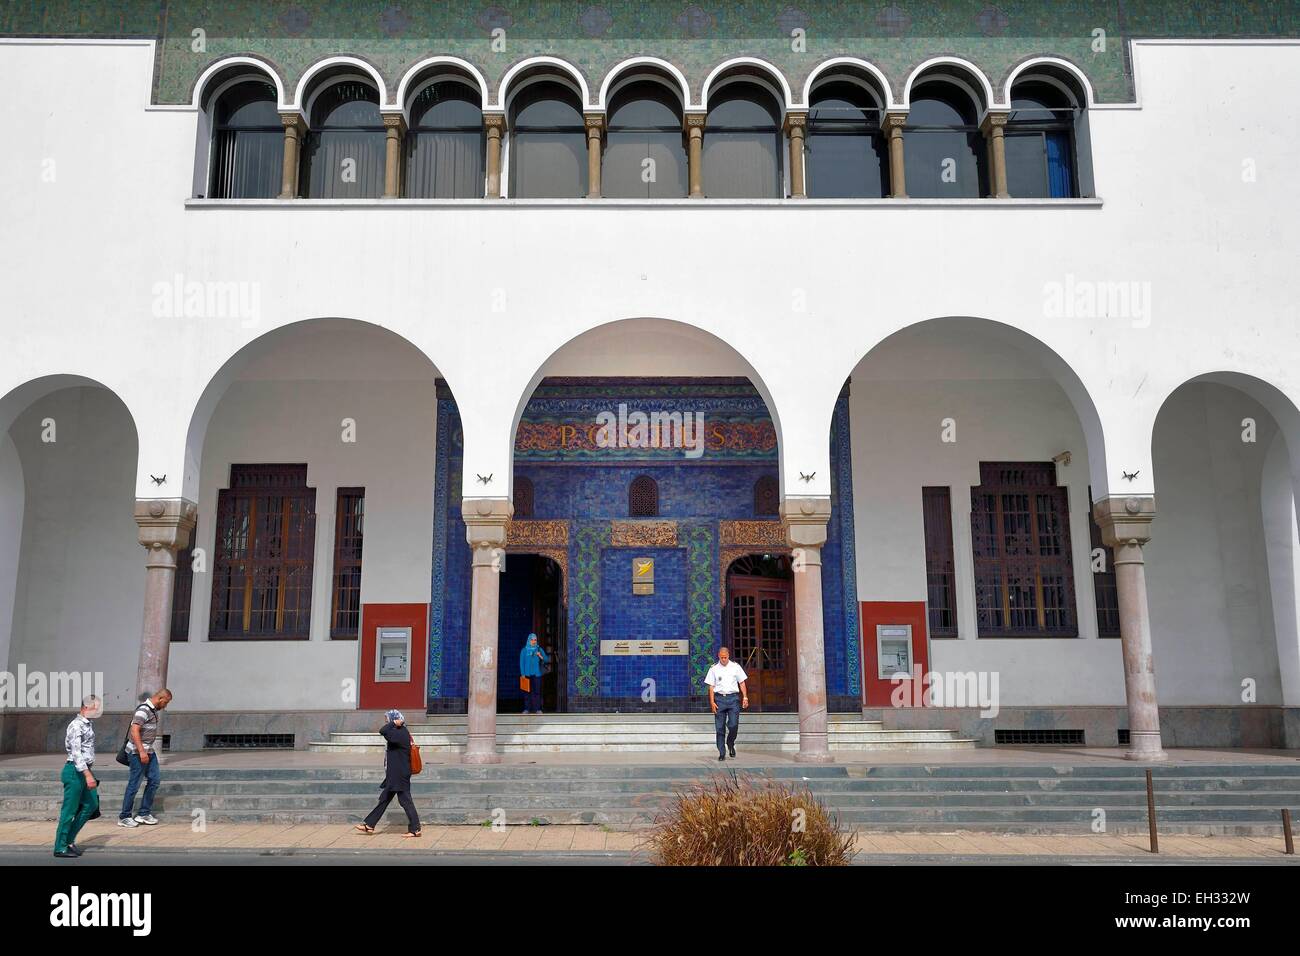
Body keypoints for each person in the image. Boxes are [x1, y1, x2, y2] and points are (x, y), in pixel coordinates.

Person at [355, 709, 421, 837]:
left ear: (395, 719)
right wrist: (393, 724)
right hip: (395, 774)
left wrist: (393, 723)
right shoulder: (398, 732)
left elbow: (383, 731)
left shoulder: (400, 733)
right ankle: (369, 825)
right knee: (384, 799)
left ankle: (415, 829)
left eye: (387, 719)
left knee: (405, 801)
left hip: (399, 775)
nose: (386, 721)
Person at [55, 695, 102, 858]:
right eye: (96, 708)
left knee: (91, 804)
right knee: (69, 811)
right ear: (86, 707)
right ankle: (60, 847)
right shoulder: (76, 725)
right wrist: (87, 774)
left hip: (83, 770)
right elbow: (76, 753)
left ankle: (68, 840)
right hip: (75, 771)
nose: (98, 711)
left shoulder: (88, 725)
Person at [118, 688, 171, 827]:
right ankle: (124, 816)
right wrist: (141, 752)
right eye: (165, 702)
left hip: (149, 751)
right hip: (137, 752)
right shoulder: (144, 710)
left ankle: (144, 813)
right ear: (160, 699)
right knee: (134, 784)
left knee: (154, 780)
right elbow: (134, 730)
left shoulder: (153, 711)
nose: (165, 706)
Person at [704, 646, 749, 761]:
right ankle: (722, 752)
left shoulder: (735, 667)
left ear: (728, 656)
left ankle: (730, 743)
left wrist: (745, 697)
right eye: (722, 657)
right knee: (719, 728)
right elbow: (711, 687)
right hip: (719, 699)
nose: (723, 659)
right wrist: (712, 702)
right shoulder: (713, 669)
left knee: (733, 724)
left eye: (725, 657)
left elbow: (742, 682)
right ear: (718, 656)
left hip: (733, 699)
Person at [519, 632, 550, 715]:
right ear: (529, 640)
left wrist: (540, 656)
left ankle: (538, 709)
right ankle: (526, 709)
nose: (534, 641)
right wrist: (522, 674)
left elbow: (547, 660)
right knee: (526, 692)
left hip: (537, 674)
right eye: (532, 640)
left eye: (535, 640)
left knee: (537, 692)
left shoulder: (539, 649)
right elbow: (521, 663)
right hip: (526, 674)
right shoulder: (524, 650)